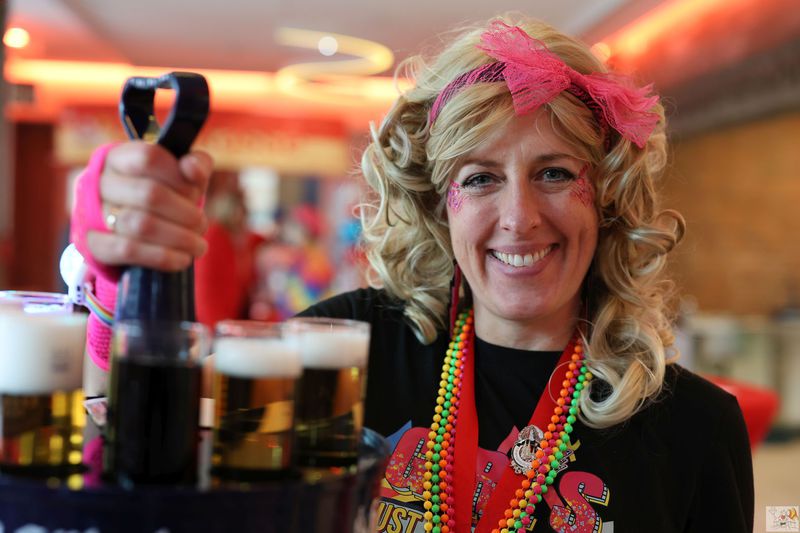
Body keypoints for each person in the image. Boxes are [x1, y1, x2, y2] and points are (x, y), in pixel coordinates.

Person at [70, 14, 753, 533]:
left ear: (603, 197)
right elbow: (120, 436)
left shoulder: (696, 428)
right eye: (480, 177)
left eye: (553, 173)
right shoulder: (342, 348)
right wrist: (120, 275)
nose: (519, 217)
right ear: (438, 205)